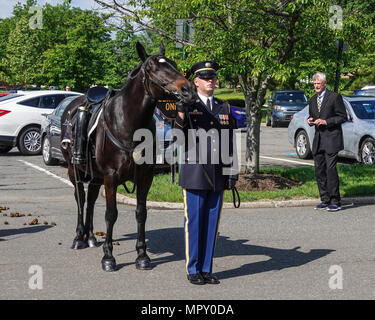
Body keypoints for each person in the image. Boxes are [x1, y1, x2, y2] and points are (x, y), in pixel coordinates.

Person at [175, 60, 238, 285]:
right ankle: (192, 269)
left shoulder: (224, 107)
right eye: (205, 77)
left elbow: (230, 141)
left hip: (218, 173)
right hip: (195, 172)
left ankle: (206, 268)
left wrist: (232, 172)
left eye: (212, 77)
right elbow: (177, 137)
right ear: (196, 81)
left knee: (212, 222)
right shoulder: (189, 106)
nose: (210, 81)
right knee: (194, 222)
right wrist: (181, 113)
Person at [307, 71, 347, 212]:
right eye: (315, 83)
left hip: (331, 138)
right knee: (319, 171)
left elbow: (342, 117)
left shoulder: (334, 97)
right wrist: (310, 120)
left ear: (325, 84)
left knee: (330, 170)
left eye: (319, 83)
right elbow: (312, 115)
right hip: (318, 140)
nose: (316, 86)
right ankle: (324, 199)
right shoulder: (312, 99)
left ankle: (335, 201)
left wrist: (326, 121)